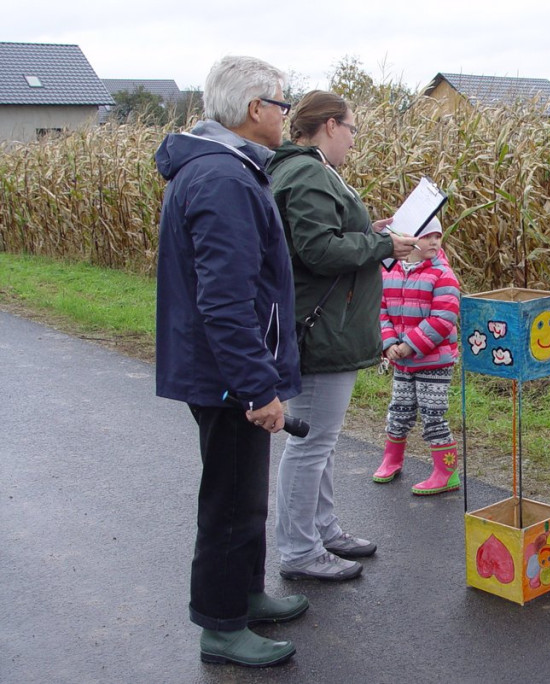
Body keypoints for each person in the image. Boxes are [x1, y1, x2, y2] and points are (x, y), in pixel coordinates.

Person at [155, 55, 307, 667]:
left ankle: (244, 594)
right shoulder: (223, 178)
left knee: (245, 493)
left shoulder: (225, 168)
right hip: (227, 376)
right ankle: (221, 625)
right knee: (230, 500)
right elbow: (224, 300)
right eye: (282, 104)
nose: (285, 115)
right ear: (254, 108)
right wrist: (256, 388)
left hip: (226, 370)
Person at [268, 90, 419, 581]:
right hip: (323, 327)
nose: (354, 141)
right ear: (330, 125)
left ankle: (323, 530)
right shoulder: (307, 172)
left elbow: (323, 235)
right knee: (311, 444)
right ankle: (300, 550)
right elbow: (317, 249)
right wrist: (382, 244)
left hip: (325, 323)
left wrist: (371, 232)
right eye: (352, 129)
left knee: (321, 441)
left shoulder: (304, 170)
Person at [373, 218, 462, 494]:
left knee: (432, 413)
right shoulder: (389, 271)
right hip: (402, 359)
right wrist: (389, 343)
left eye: (438, 236)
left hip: (434, 361)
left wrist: (411, 345)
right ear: (408, 238)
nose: (434, 242)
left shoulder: (442, 275)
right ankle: (392, 458)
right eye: (426, 236)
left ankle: (446, 472)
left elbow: (443, 318)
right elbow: (381, 310)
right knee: (399, 409)